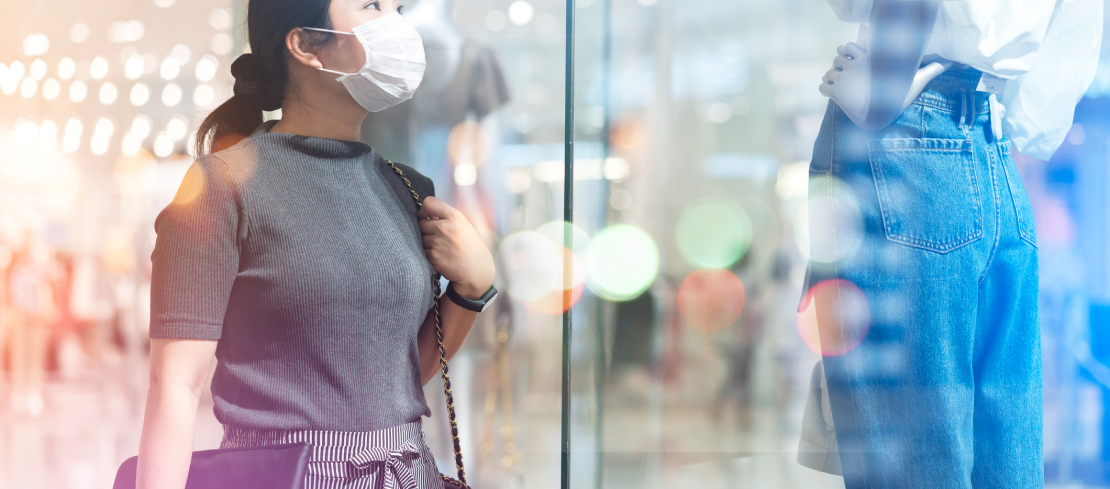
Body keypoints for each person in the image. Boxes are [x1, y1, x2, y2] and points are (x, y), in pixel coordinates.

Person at [135, 1, 497, 487]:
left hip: (407, 473)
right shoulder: (223, 187)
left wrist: (471, 290)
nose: (396, 23)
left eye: (397, 7)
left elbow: (401, 378)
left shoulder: (407, 188)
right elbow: (175, 386)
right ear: (305, 43)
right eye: (372, 5)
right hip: (287, 475)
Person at [798, 0, 1101, 487]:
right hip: (994, 151)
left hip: (900, 128)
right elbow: (1057, 75)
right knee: (1007, 452)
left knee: (910, 458)